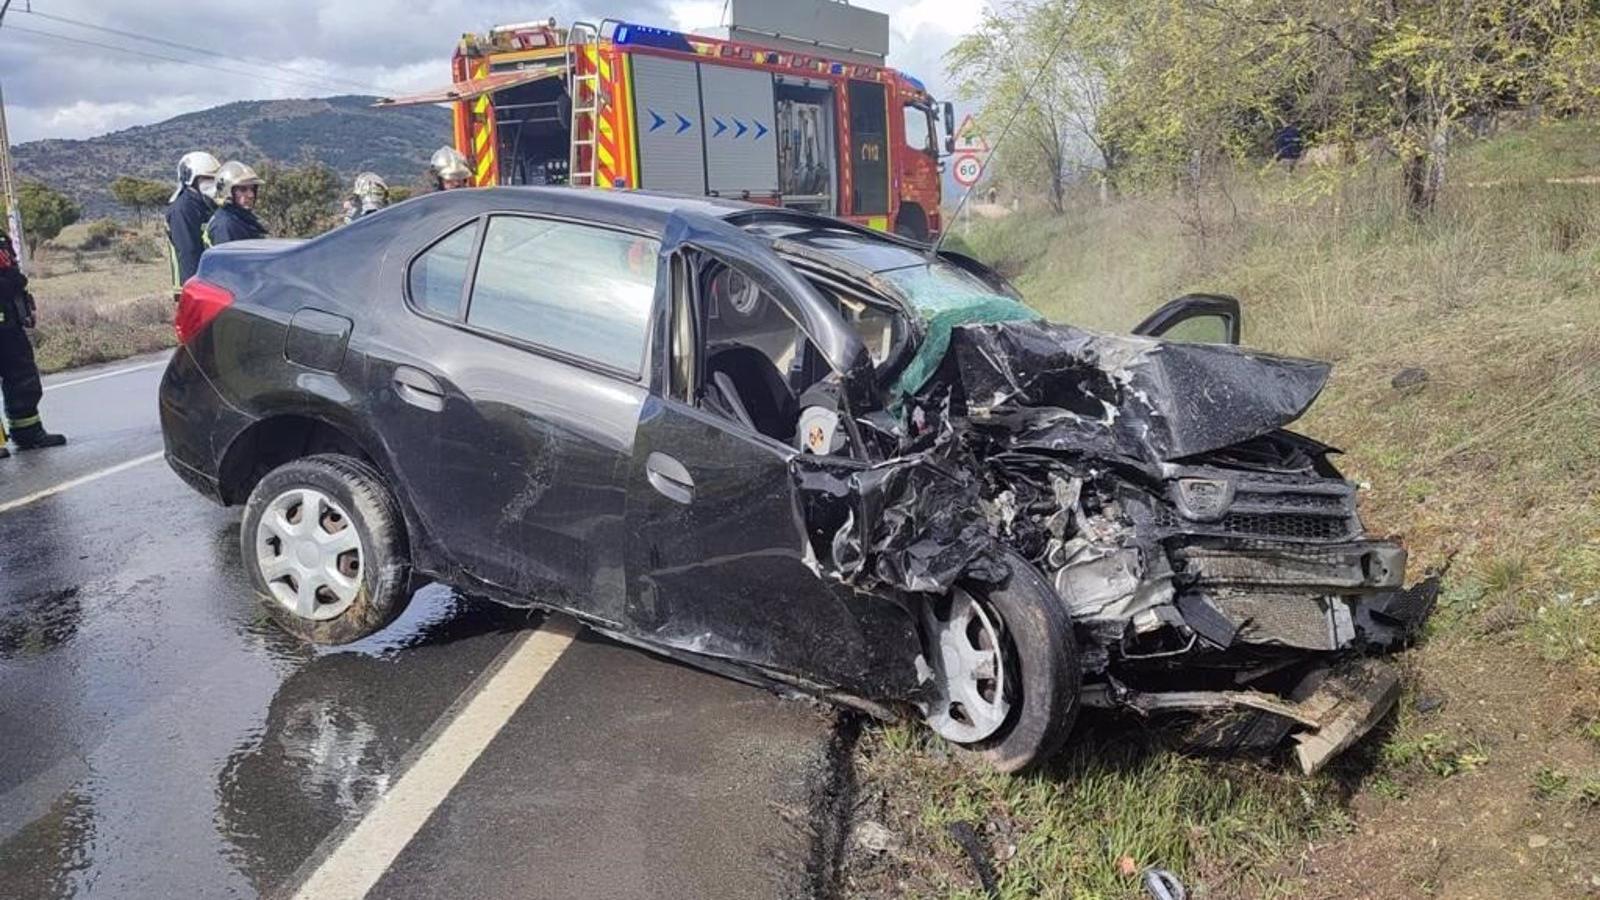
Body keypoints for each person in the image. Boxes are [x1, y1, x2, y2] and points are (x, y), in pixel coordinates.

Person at [0, 229, 67, 456]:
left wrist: (26, 305)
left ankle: (28, 432)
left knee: (23, 378)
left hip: (9, 323)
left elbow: (12, 270)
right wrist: (10, 281)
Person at [165, 150, 221, 299]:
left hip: (211, 282)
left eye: (214, 179)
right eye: (206, 178)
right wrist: (195, 292)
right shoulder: (182, 209)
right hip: (192, 287)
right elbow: (188, 252)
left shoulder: (206, 204)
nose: (211, 183)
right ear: (191, 179)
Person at [206, 161, 269, 246]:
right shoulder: (225, 226)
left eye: (252, 189)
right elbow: (227, 258)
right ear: (227, 191)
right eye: (243, 189)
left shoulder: (242, 218)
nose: (251, 195)